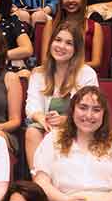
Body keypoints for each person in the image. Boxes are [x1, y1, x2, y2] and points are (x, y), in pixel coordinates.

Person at [24, 20, 98, 160]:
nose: (61, 46)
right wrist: (42, 118)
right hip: (46, 125)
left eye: (69, 43)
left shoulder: (87, 74)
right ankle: (38, 180)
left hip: (78, 126)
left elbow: (91, 110)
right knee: (32, 131)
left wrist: (65, 119)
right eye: (58, 40)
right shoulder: (38, 73)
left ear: (76, 49)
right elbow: (32, 107)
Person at [41, 0, 105, 73]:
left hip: (83, 74)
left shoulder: (95, 27)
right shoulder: (50, 25)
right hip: (54, 73)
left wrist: (70, 68)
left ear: (83, 0)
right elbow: (44, 60)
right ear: (61, 2)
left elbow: (96, 62)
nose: (70, 0)